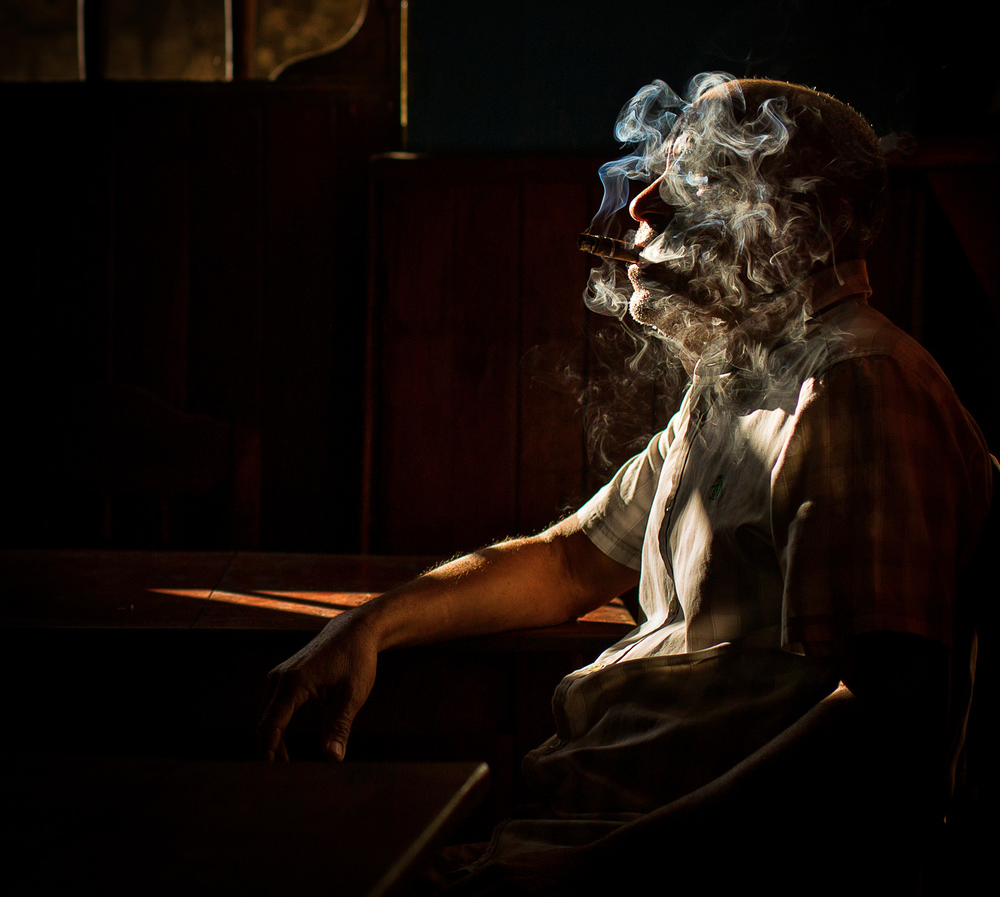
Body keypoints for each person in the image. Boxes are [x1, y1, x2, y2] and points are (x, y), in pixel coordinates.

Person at [258, 74, 992, 894]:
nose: (641, 204)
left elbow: (887, 724)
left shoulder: (855, 384)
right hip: (583, 834)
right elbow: (569, 562)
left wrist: (583, 873)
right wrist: (369, 626)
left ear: (805, 228)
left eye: (698, 179)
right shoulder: (741, 378)